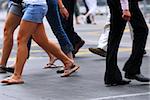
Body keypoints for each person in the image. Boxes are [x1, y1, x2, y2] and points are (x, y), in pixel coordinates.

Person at [1, 0, 79, 85]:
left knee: (22, 40)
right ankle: (68, 62)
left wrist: (61, 6)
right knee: (42, 40)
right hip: (25, 4)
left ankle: (17, 76)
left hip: (35, 6)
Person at [105, 0, 150, 86]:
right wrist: (125, 8)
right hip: (126, 2)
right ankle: (133, 69)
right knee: (142, 30)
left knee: (115, 35)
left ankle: (111, 75)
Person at [0, 0, 32, 73]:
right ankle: (2, 64)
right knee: (7, 31)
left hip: (33, 5)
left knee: (39, 38)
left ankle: (62, 59)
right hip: (17, 3)